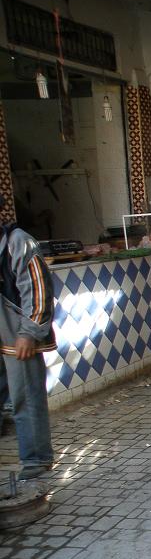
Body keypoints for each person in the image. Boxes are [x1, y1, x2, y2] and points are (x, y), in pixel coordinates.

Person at [0, 204, 56, 481]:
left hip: (17, 337)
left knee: (26, 398)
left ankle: (36, 460)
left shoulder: (18, 242)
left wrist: (29, 333)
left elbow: (39, 291)